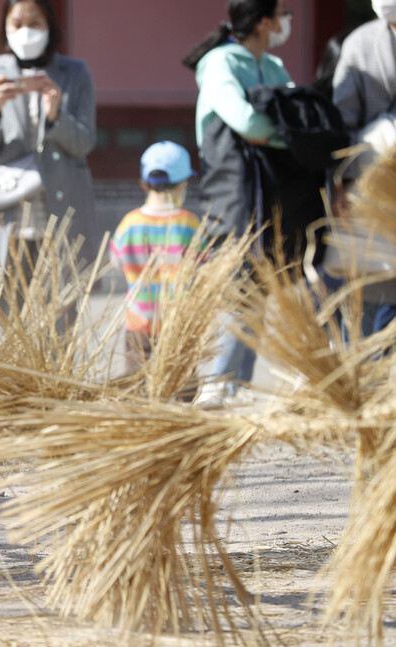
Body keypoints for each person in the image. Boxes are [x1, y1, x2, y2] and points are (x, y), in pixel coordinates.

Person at [181, 0, 294, 407]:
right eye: (283, 14)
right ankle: (215, 381)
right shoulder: (219, 63)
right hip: (234, 190)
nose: (287, 22)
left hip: (273, 189)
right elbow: (246, 123)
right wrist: (285, 135)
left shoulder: (274, 66)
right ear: (265, 21)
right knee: (236, 278)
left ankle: (237, 383)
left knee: (265, 280)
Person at [0, 0, 97, 298]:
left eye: (35, 23)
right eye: (17, 24)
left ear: (50, 26)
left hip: (60, 214)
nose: (26, 32)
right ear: (5, 29)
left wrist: (56, 116)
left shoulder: (75, 73)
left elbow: (84, 143)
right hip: (5, 216)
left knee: (60, 321)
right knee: (7, 317)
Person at [331, 3, 396, 340]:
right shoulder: (360, 43)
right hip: (370, 182)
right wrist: (340, 185)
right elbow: (343, 119)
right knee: (369, 284)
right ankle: (358, 373)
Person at [109, 142, 201, 372]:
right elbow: (204, 265)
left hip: (139, 321)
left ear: (143, 183)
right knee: (182, 386)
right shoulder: (189, 224)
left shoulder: (129, 223)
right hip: (180, 323)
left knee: (136, 387)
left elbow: (116, 262)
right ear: (183, 184)